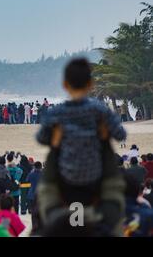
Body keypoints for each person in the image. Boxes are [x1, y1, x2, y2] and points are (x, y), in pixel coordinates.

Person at [36, 58, 127, 236]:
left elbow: (41, 138)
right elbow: (120, 134)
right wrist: (103, 133)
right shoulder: (99, 110)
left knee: (46, 189)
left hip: (65, 175)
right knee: (115, 194)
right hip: (96, 175)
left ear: (65, 84)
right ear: (90, 84)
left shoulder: (57, 112)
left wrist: (56, 142)